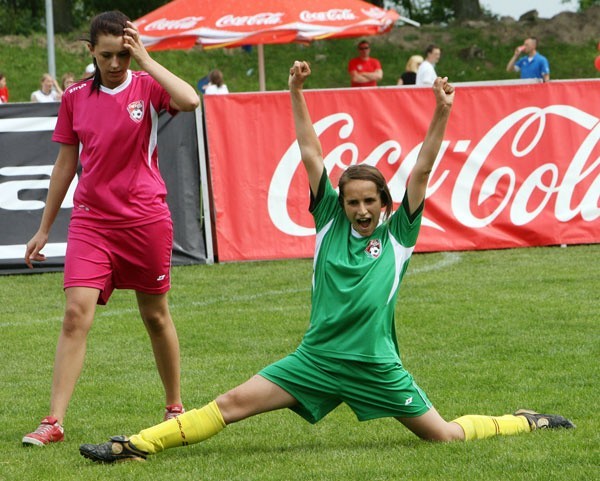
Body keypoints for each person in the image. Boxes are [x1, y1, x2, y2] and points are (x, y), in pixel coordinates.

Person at [78, 60, 575, 464]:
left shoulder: (401, 234)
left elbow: (422, 167)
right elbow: (310, 150)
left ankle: (524, 419)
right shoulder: (329, 224)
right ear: (340, 204)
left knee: (443, 437)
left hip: (376, 366)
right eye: (352, 202)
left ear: (385, 203)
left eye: (369, 202)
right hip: (314, 360)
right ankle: (135, 444)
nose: (361, 210)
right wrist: (296, 92)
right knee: (229, 405)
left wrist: (441, 111)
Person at [22, 10, 200, 447]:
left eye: (123, 54)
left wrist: (146, 57)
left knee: (155, 316)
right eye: (107, 55)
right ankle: (54, 421)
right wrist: (44, 228)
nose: (116, 64)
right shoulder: (75, 96)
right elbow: (65, 164)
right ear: (91, 52)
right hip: (91, 221)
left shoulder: (148, 85)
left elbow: (191, 101)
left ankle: (175, 407)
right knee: (74, 314)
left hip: (145, 219)